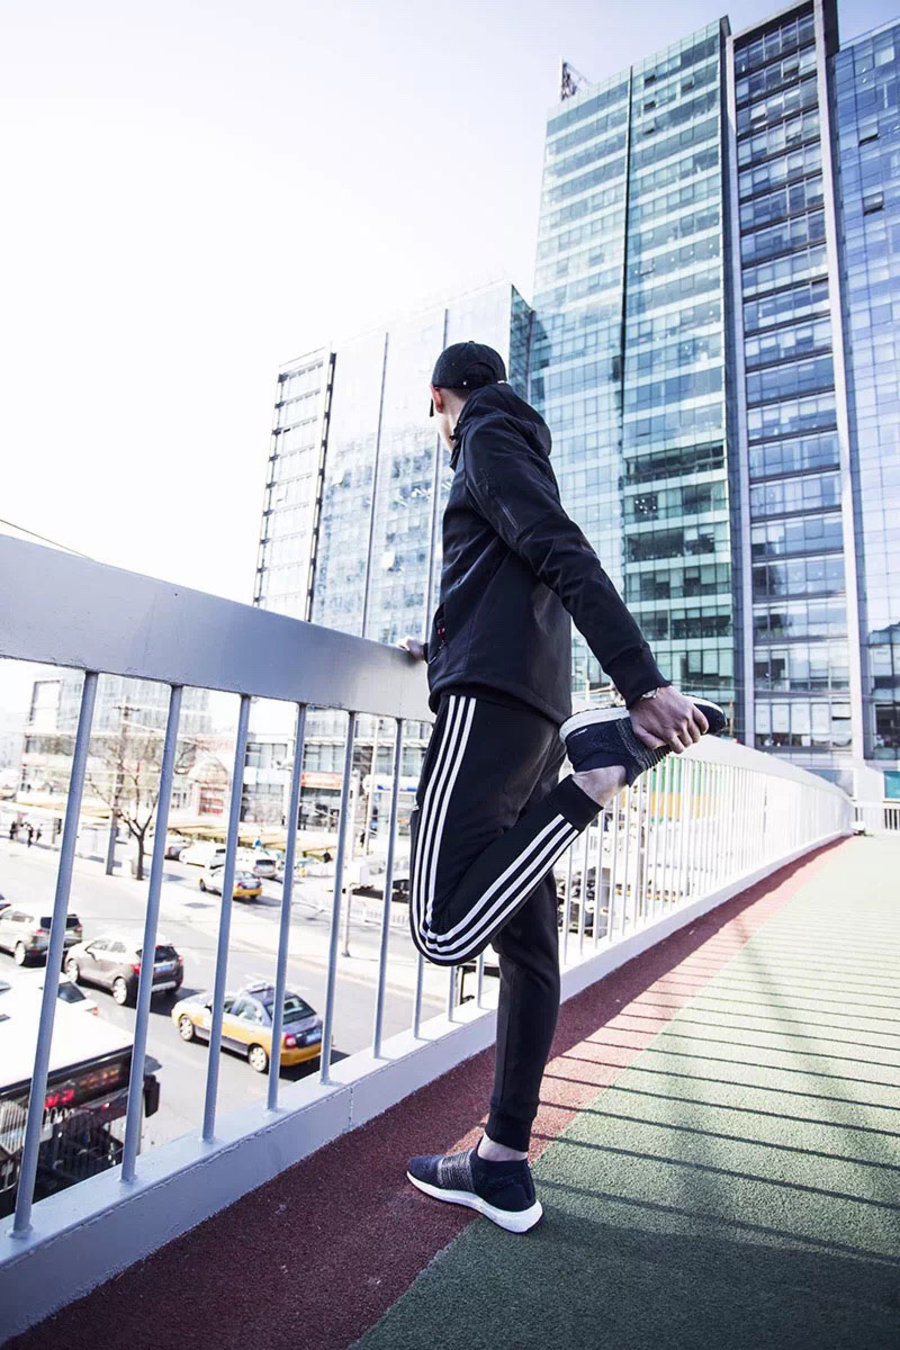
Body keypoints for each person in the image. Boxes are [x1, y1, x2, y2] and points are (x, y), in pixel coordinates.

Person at [398, 341, 725, 1234]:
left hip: (489, 705)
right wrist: (440, 641)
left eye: (436, 410)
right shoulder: (519, 443)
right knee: (530, 950)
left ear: (440, 398)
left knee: (441, 927)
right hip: (531, 708)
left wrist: (639, 681)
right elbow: (516, 567)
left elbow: (558, 548)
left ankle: (597, 777)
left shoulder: (482, 433)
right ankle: (502, 1163)